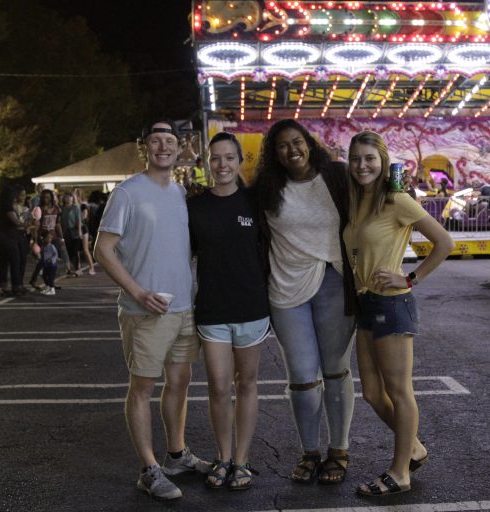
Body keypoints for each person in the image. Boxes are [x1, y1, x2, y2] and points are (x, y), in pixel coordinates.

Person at [94, 119, 206, 501]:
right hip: (145, 310)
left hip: (183, 307)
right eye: (155, 141)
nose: (163, 147)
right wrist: (139, 293)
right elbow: (103, 250)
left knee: (180, 383)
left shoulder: (179, 192)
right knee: (142, 388)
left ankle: (176, 455)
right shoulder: (127, 193)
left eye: (169, 141)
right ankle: (149, 468)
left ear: (178, 148)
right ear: (145, 148)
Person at [343, 131, 453, 496]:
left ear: (383, 161)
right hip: (365, 304)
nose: (363, 165)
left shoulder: (397, 199)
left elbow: (444, 242)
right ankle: (414, 449)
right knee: (373, 394)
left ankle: (400, 470)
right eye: (356, 158)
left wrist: (410, 276)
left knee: (399, 391)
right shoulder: (357, 202)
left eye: (370, 158)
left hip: (392, 303)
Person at [254, 119, 356, 485]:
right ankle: (310, 452)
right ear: (274, 153)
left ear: (309, 144)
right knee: (300, 375)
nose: (291, 149)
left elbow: (376, 205)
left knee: (335, 369)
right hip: (285, 288)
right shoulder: (266, 189)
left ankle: (339, 450)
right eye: (282, 145)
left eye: (297, 142)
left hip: (333, 280)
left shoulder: (338, 177)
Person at [188, 132, 269, 491]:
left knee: (247, 384)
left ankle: (242, 459)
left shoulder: (256, 203)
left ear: (240, 161)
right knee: (219, 387)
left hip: (252, 307)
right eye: (216, 158)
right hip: (212, 310)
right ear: (208, 163)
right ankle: (222, 457)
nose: (222, 165)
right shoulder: (195, 206)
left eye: (229, 158)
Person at [0, 184, 30, 296]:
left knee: (4, 263)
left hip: (0, 236)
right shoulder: (6, 206)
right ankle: (16, 286)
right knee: (15, 260)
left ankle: (5, 287)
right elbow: (16, 222)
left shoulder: (1, 205)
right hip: (5, 237)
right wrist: (28, 224)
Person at [39, 231, 58, 296]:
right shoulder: (44, 247)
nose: (49, 239)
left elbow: (56, 254)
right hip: (46, 265)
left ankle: (52, 290)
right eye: (47, 237)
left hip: (52, 265)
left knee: (50, 277)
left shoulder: (52, 246)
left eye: (50, 238)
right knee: (44, 276)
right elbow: (42, 255)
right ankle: (48, 287)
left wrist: (51, 260)